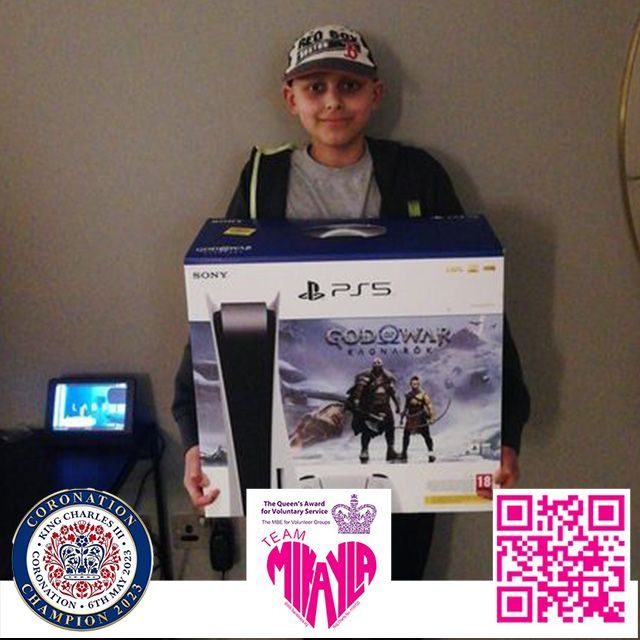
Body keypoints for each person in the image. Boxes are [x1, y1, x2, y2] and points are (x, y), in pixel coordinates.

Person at [172, 24, 531, 579]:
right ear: (290, 98)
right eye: (315, 87)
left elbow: (475, 299)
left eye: (349, 86)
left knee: (400, 584)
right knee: (311, 592)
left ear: (375, 94)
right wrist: (198, 437)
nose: (333, 101)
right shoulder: (264, 180)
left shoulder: (418, 176)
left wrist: (506, 430)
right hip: (294, 460)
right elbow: (218, 297)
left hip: (405, 470)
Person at [347, 357, 401, 463]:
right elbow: (359, 391)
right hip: (371, 407)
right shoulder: (365, 376)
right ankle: (364, 451)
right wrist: (356, 401)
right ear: (373, 366)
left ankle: (390, 451)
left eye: (379, 365)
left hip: (385, 406)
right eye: (375, 365)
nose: (377, 367)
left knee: (390, 428)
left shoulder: (387, 377)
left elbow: (392, 393)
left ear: (381, 366)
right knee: (367, 429)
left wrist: (397, 406)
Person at [399, 376, 436, 463]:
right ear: (410, 385)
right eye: (413, 384)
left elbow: (430, 406)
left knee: (427, 436)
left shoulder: (423, 395)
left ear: (419, 384)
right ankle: (404, 453)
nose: (415, 385)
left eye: (416, 384)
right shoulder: (409, 395)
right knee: (406, 435)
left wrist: (432, 417)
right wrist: (401, 418)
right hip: (411, 418)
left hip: (421, 417)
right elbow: (406, 408)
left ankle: (431, 453)